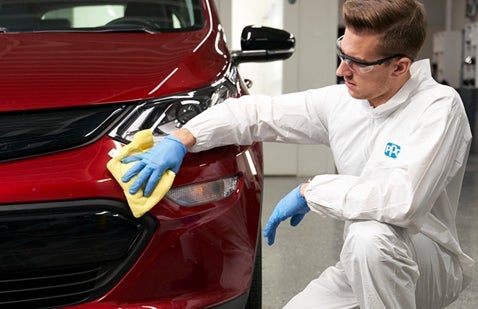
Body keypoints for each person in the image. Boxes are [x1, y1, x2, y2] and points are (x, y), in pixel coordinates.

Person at [120, 0, 474, 307]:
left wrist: (311, 191)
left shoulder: (438, 108)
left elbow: (402, 202)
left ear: (400, 67)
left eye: (357, 62)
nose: (341, 70)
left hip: (425, 260)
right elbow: (256, 113)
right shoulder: (344, 103)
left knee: (371, 237)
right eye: (342, 53)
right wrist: (182, 138)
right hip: (363, 263)